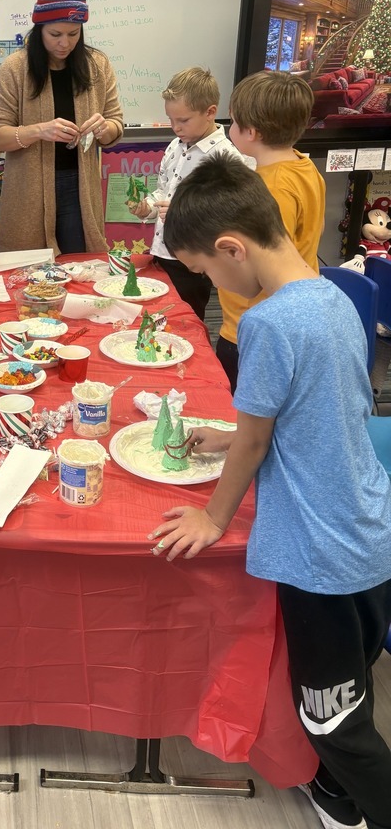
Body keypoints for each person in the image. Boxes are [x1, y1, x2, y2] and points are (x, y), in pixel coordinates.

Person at [148, 154, 391, 829]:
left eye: (207, 271)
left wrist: (212, 516)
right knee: (348, 692)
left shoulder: (267, 322)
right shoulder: (330, 295)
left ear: (232, 248)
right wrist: (229, 438)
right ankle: (339, 799)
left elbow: (257, 441)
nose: (215, 284)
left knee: (334, 720)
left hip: (325, 556)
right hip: (370, 530)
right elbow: (315, 407)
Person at [0, 0, 124, 255]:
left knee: (81, 268)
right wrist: (38, 131)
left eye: (73, 34)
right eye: (55, 35)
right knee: (28, 274)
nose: (64, 43)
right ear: (39, 29)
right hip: (28, 192)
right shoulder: (15, 68)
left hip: (79, 188)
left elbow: (115, 127)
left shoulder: (97, 65)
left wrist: (104, 127)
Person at [215, 70, 325, 391]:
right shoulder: (303, 165)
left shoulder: (271, 188)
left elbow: (265, 267)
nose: (229, 128)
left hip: (253, 329)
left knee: (244, 421)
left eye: (233, 122)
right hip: (274, 321)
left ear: (251, 132)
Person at [127, 66, 252, 320]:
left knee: (187, 323)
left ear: (210, 112)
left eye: (183, 120)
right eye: (171, 119)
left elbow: (234, 216)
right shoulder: (175, 146)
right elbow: (163, 191)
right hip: (161, 254)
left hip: (196, 263)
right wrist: (148, 207)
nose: (175, 127)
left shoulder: (226, 158)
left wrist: (183, 214)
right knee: (158, 320)